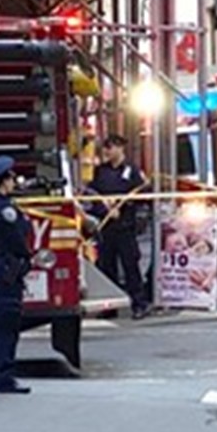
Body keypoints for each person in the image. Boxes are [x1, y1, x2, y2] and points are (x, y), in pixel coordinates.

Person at [0, 156, 35, 395]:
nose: (14, 181)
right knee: (6, 327)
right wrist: (26, 258)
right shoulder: (5, 210)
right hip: (6, 271)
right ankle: (3, 377)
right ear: (4, 181)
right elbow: (20, 238)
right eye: (11, 177)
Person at [86, 134, 151, 319]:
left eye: (111, 147)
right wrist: (103, 206)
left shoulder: (132, 171)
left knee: (130, 266)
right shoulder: (100, 171)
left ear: (120, 148)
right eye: (105, 147)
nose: (107, 151)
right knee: (107, 267)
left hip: (125, 226)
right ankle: (110, 306)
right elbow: (91, 194)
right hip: (106, 227)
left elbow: (142, 194)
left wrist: (124, 206)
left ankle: (139, 303)